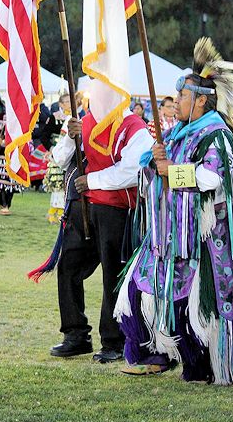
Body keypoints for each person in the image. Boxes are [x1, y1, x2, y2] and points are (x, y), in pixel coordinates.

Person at [115, 38, 233, 381]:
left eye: (182, 96)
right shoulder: (177, 134)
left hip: (206, 239)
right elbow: (153, 171)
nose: (176, 102)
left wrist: (171, 170)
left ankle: (206, 364)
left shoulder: (217, 135)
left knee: (203, 305)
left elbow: (211, 177)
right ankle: (153, 354)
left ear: (201, 100)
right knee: (139, 288)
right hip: (167, 235)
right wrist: (154, 165)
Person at [44, 95, 154, 363]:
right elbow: (58, 158)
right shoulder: (85, 121)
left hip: (115, 210)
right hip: (82, 206)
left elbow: (132, 170)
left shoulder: (134, 126)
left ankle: (114, 340)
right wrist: (71, 137)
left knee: (112, 274)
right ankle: (75, 333)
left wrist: (92, 179)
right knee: (68, 265)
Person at [44, 93, 72, 223]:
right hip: (57, 153)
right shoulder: (54, 117)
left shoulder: (74, 117)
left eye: (69, 101)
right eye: (65, 101)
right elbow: (45, 135)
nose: (68, 104)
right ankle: (54, 212)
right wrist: (51, 149)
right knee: (58, 185)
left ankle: (60, 211)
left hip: (68, 154)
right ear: (60, 104)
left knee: (64, 185)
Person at [0, 120, 20, 215]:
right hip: (0, 154)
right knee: (1, 180)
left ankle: (7, 205)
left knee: (12, 181)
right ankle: (3, 205)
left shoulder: (18, 115)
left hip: (14, 153)